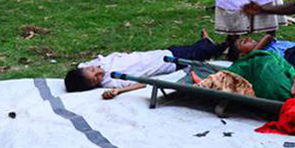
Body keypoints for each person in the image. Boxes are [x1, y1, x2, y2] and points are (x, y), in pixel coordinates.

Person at [63, 30, 228, 97]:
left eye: (92, 69)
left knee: (190, 49)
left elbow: (79, 70)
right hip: (168, 63)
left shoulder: (93, 65)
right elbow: (141, 85)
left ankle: (205, 42)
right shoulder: (113, 80)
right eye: (95, 78)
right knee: (199, 53)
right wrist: (119, 91)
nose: (98, 72)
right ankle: (222, 45)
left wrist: (84, 72)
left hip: (159, 53)